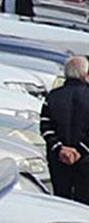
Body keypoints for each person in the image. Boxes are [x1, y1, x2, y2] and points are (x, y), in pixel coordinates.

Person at [41, 56, 89, 203]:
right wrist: (79, 151)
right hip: (86, 161)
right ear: (85, 75)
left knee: (61, 199)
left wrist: (59, 148)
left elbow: (45, 126)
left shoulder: (53, 96)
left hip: (58, 159)